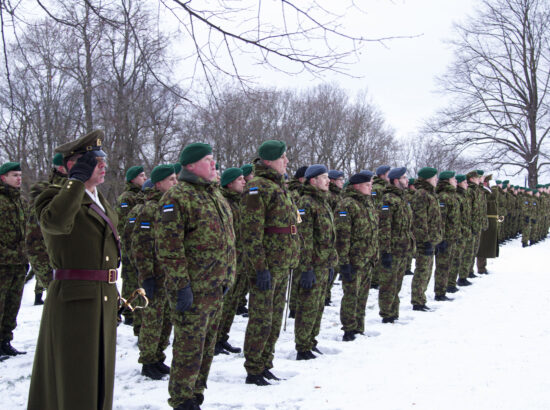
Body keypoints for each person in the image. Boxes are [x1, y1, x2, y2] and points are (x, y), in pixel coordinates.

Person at [28, 130, 120, 410]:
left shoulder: (98, 198)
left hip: (102, 295)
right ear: (74, 164)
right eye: (95, 159)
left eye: (103, 158)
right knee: (75, 377)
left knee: (100, 376)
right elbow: (55, 224)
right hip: (74, 300)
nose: (103, 165)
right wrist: (75, 181)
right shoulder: (52, 196)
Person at [155, 143, 236, 409]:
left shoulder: (217, 196)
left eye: (214, 160)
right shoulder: (177, 197)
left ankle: (196, 394)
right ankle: (181, 399)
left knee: (206, 346)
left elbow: (228, 242)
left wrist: (228, 278)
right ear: (190, 165)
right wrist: (181, 286)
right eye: (208, 160)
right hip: (193, 289)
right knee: (189, 348)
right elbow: (169, 247)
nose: (214, 165)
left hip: (215, 287)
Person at [241, 140, 300, 386]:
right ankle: (254, 367)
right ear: (268, 161)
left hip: (281, 262)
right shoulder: (258, 187)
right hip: (266, 265)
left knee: (275, 317)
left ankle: (266, 362)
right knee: (262, 317)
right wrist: (260, 267)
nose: (287, 161)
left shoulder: (278, 186)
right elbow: (251, 232)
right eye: (282, 157)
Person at [131, 165, 178, 380]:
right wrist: (147, 275)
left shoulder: (169, 205)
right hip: (154, 274)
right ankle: (148, 360)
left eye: (176, 178)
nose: (175, 183)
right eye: (171, 180)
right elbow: (141, 245)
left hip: (168, 273)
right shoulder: (149, 209)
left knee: (166, 318)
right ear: (158, 184)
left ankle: (158, 357)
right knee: (153, 318)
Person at [294, 164, 337, 357]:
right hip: (311, 264)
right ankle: (302, 346)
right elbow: (304, 239)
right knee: (307, 306)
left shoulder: (323, 201)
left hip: (323, 263)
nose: (328, 181)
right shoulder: (305, 203)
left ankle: (311, 340)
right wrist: (306, 268)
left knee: (318, 305)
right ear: (313, 181)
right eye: (324, 177)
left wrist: (330, 263)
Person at [335, 171, 378, 336]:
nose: (370, 187)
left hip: (367, 258)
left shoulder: (367, 203)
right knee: (351, 295)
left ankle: (359, 326)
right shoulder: (347, 204)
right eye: (367, 185)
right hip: (354, 259)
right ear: (357, 186)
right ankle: (349, 328)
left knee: (363, 296)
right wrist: (344, 261)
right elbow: (342, 235)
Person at [216, 167, 247, 355]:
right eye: (240, 179)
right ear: (229, 183)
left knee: (232, 304)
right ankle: (215, 340)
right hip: (228, 263)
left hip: (240, 262)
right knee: (224, 304)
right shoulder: (225, 202)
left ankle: (222, 337)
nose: (244, 182)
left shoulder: (238, 202)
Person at [378, 167, 414, 323]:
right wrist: (385, 251)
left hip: (402, 248)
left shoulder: (402, 198)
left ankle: (394, 312)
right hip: (392, 249)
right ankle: (387, 313)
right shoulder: (388, 200)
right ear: (395, 181)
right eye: (404, 178)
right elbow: (384, 227)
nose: (407, 180)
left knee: (397, 283)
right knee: (388, 283)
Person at [0, 161, 27, 359]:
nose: (18, 178)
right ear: (3, 178)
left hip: (18, 264)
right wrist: (11, 255)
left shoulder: (21, 201)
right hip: (3, 264)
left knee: (12, 305)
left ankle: (5, 341)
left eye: (19, 175)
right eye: (14, 175)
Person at [117, 165, 147, 328]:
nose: (144, 178)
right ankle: (128, 311)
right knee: (129, 280)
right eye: (141, 175)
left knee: (135, 279)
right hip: (129, 243)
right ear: (132, 179)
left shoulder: (140, 195)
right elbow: (123, 223)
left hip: (137, 244)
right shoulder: (127, 197)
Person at [410, 167, 442, 311]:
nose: (437, 179)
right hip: (424, 240)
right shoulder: (422, 194)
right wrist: (425, 240)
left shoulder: (430, 194)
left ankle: (421, 298)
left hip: (431, 239)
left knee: (427, 270)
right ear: (428, 178)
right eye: (434, 177)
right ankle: (417, 300)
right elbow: (420, 220)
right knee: (422, 270)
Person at [434, 171, 460, 301]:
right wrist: (442, 239)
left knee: (448, 264)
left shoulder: (451, 195)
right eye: (453, 179)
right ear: (447, 181)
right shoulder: (443, 196)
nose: (455, 181)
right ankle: (439, 292)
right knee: (442, 266)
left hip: (452, 236)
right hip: (446, 238)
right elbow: (441, 220)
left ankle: (444, 288)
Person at [448, 174, 470, 292]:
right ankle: (450, 283)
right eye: (464, 182)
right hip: (456, 232)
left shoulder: (462, 196)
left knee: (460, 257)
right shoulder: (455, 196)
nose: (466, 184)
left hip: (462, 231)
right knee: (455, 259)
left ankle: (458, 279)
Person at [371, 165, 391, 289]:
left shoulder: (385, 188)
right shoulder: (377, 188)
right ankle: (374, 280)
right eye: (388, 174)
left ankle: (376, 279)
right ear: (382, 175)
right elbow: (374, 204)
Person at [477, 174, 499, 273]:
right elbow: (493, 197)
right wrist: (494, 187)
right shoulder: (484, 191)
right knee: (483, 245)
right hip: (486, 220)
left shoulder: (486, 191)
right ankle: (481, 267)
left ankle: (483, 266)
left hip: (490, 220)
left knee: (486, 244)